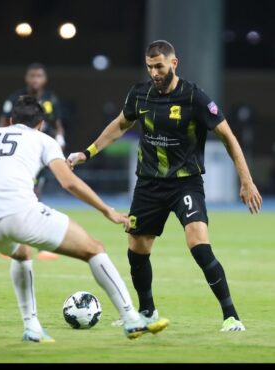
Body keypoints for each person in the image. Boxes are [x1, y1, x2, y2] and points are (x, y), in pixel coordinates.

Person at [0, 96, 169, 342]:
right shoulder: (43, 140)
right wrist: (107, 210)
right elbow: (68, 182)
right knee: (94, 249)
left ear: (12, 120)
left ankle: (32, 328)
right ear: (40, 124)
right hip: (21, 214)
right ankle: (132, 318)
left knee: (22, 253)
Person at [67, 40, 263, 332]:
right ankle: (146, 311)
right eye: (150, 67)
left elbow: (228, 136)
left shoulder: (194, 97)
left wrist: (246, 180)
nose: (154, 73)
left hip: (186, 183)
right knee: (137, 248)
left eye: (159, 66)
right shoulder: (140, 94)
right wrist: (88, 152)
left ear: (174, 63)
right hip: (148, 183)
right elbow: (120, 125)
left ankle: (231, 316)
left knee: (198, 243)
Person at [0, 63, 65, 260]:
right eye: (32, 76)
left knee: (35, 196)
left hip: (40, 154)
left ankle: (33, 244)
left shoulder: (51, 99)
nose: (35, 79)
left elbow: (57, 124)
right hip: (19, 154)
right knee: (19, 194)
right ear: (26, 78)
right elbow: (3, 122)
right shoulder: (15, 98)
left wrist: (60, 141)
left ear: (44, 79)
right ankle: (13, 244)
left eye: (39, 76)